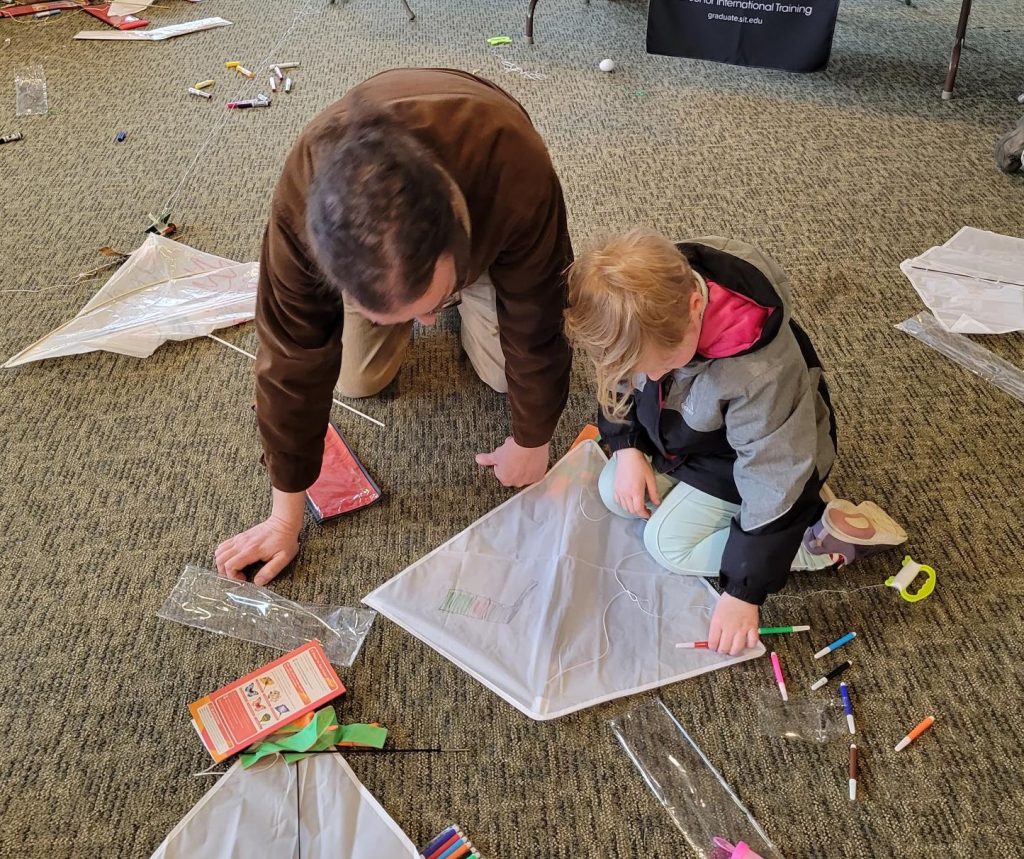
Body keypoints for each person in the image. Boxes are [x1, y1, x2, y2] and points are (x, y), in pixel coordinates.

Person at [215, 69, 573, 585]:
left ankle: (465, 291)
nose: (425, 324)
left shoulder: (515, 166)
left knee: (507, 377)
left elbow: (540, 310)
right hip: (398, 263)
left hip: (490, 226)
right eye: (404, 314)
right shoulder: (299, 202)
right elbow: (290, 356)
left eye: (429, 306)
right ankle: (411, 297)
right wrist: (284, 515)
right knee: (357, 380)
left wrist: (533, 438)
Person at [564, 230, 907, 655]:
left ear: (694, 306)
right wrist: (628, 445)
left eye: (663, 364)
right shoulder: (649, 307)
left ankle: (814, 537)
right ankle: (738, 517)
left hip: (754, 463)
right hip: (687, 440)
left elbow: (773, 472)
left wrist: (743, 592)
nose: (649, 377)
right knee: (613, 488)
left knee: (666, 545)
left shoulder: (758, 372)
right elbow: (623, 382)